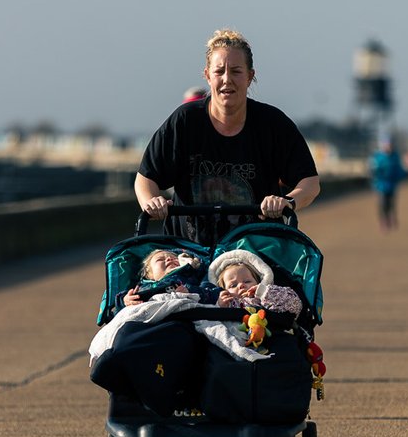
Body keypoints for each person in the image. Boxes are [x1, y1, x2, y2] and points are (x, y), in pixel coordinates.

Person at [135, 29, 321, 245]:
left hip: (255, 251)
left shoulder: (273, 124)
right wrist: (152, 202)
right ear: (207, 75)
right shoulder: (185, 121)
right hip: (189, 251)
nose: (227, 80)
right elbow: (146, 178)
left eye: (235, 71)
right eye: (219, 71)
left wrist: (288, 201)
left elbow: (310, 183)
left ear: (250, 77)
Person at [208, 249, 303, 318]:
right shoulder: (227, 304)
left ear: (258, 281)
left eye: (247, 281)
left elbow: (295, 305)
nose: (241, 285)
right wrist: (219, 305)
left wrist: (263, 292)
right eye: (233, 285)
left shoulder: (264, 297)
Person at [120, 249, 220, 308]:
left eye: (173, 257)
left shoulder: (194, 276)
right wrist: (126, 300)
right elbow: (117, 310)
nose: (169, 258)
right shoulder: (142, 287)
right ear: (149, 275)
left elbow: (214, 293)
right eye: (160, 259)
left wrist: (191, 291)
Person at [369, 136, 407, 232]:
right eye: (386, 145)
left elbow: (399, 169)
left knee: (391, 203)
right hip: (381, 185)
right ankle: (383, 221)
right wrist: (375, 174)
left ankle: (391, 218)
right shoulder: (377, 156)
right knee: (382, 204)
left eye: (390, 145)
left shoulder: (395, 156)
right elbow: (372, 170)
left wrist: (401, 176)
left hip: (392, 184)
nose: (388, 147)